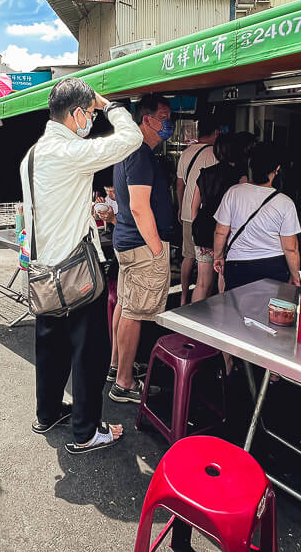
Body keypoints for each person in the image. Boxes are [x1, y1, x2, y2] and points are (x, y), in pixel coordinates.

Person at [20, 78, 142, 453]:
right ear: (75, 115)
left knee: (50, 346)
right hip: (75, 271)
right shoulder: (70, 151)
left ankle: (49, 411)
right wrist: (110, 105)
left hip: (43, 270)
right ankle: (87, 431)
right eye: (89, 113)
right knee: (89, 352)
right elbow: (131, 139)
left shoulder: (34, 154)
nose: (92, 119)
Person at [110, 93, 175, 404]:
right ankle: (124, 382)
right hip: (141, 246)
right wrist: (158, 250)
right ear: (146, 119)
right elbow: (139, 207)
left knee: (125, 305)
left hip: (129, 243)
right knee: (134, 313)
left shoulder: (129, 150)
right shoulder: (138, 152)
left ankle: (115, 366)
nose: (169, 123)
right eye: (164, 116)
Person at [213, 144, 301, 291]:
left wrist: (218, 256)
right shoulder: (285, 203)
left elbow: (221, 231)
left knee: (235, 311)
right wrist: (295, 276)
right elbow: (291, 248)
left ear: (250, 166)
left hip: (237, 265)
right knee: (269, 312)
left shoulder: (233, 192)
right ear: (277, 169)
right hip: (272, 266)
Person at [190, 133, 247, 303]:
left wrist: (197, 231)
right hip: (225, 232)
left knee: (202, 284)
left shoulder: (205, 173)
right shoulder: (240, 176)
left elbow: (194, 208)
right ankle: (219, 322)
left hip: (202, 230)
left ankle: (194, 324)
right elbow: (241, 211)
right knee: (223, 282)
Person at [175, 117, 219, 304]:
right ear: (216, 133)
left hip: (186, 212)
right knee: (206, 262)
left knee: (188, 256)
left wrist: (180, 206)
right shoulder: (215, 154)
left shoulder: (186, 153)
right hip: (204, 216)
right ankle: (205, 301)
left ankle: (184, 297)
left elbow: (179, 184)